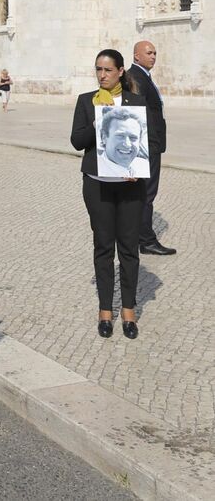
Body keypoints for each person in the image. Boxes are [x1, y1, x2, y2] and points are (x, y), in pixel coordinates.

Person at [70, 48, 153, 341]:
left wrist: (138, 167)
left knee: (128, 248)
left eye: (107, 70)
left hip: (130, 186)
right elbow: (76, 141)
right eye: (98, 70)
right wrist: (96, 123)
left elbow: (146, 143)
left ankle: (128, 308)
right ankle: (106, 308)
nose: (102, 75)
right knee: (103, 246)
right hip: (98, 185)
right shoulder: (86, 101)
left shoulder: (136, 102)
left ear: (120, 71)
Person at [129, 40, 176, 256]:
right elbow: (140, 113)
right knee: (147, 193)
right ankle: (146, 240)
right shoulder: (136, 77)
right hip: (148, 144)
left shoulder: (143, 76)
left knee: (144, 193)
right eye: (149, 52)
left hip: (151, 143)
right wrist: (151, 143)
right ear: (136, 56)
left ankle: (141, 235)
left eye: (155, 52)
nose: (153, 56)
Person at [97, 106, 150, 178]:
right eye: (120, 136)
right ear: (104, 137)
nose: (127, 144)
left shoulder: (144, 166)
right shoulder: (96, 169)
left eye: (133, 138)